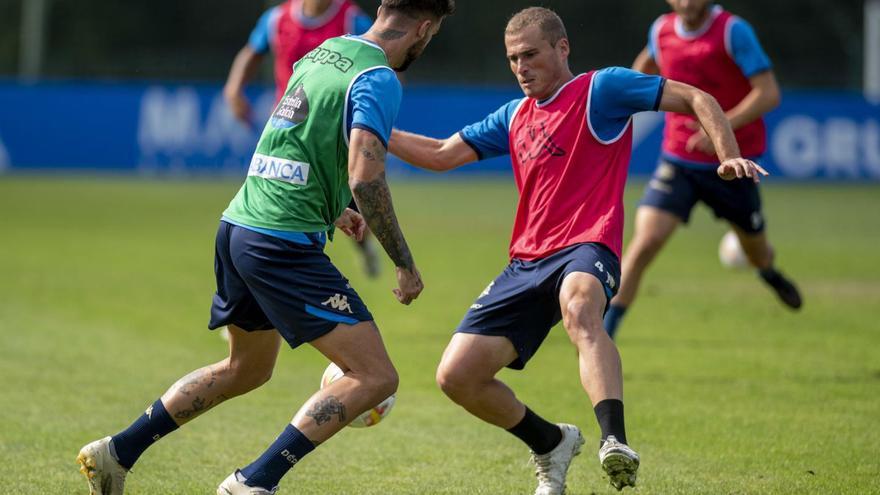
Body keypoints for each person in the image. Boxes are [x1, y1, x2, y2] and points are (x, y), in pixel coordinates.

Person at [76, 1, 454, 494]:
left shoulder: (324, 54)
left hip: (239, 225)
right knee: (375, 376)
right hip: (280, 243)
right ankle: (254, 483)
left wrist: (331, 209)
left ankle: (117, 452)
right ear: (424, 29)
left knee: (247, 368)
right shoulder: (379, 78)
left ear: (383, 9)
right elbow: (366, 176)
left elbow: (291, 139)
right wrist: (403, 262)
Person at [388, 7, 766, 493]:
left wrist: (727, 152)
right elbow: (440, 155)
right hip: (525, 261)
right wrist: (373, 130)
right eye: (511, 59)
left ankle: (615, 442)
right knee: (457, 376)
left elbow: (696, 96)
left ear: (561, 48)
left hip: (588, 244)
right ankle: (550, 443)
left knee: (581, 307)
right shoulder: (514, 115)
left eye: (530, 54)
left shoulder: (601, 89)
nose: (520, 67)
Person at [603, 0, 802, 339]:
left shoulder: (732, 31)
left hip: (733, 163)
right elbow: (642, 72)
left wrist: (721, 130)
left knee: (757, 252)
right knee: (643, 244)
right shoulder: (661, 30)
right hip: (678, 161)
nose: (686, 2)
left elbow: (768, 93)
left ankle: (768, 273)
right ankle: (604, 335)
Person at [225, 0, 382, 279]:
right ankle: (279, 271)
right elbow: (251, 53)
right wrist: (234, 88)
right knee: (281, 199)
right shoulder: (277, 19)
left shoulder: (351, 19)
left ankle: (363, 247)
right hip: (289, 131)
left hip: (334, 134)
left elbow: (381, 58)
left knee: (353, 204)